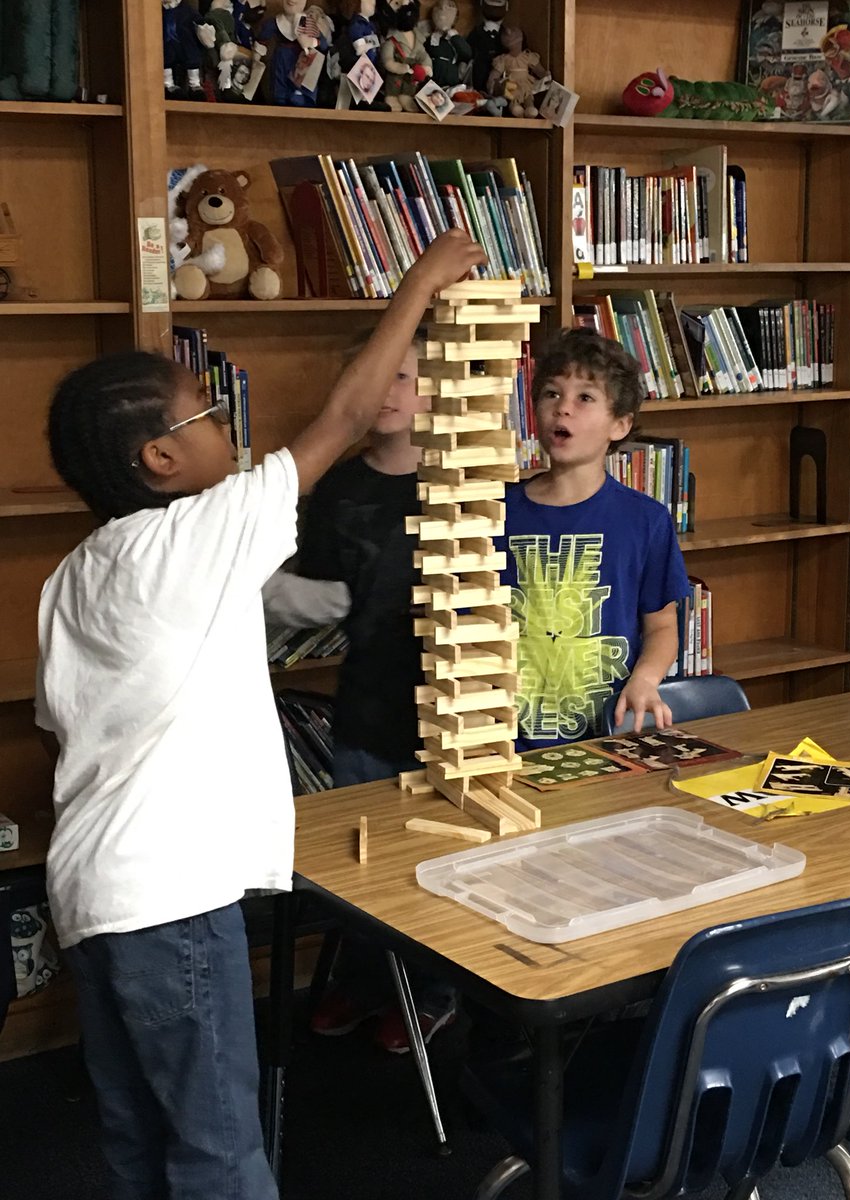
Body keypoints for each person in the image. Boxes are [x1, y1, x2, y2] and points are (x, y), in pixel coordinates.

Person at [33, 228, 484, 1200]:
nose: (227, 423)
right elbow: (350, 413)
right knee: (220, 1147)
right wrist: (422, 279)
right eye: (208, 410)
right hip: (170, 893)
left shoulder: (76, 571)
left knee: (136, 1136)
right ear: (161, 456)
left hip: (90, 888)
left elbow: (65, 719)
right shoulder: (203, 530)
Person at [285, 331, 458, 1053]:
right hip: (367, 706)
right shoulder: (342, 488)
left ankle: (431, 990)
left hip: (448, 715)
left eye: (404, 376)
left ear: (433, 388)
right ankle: (364, 978)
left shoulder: (461, 482)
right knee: (363, 861)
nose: (388, 392)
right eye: (375, 377)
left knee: (437, 863)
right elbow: (316, 590)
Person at [496, 328, 690, 745]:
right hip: (503, 742)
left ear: (620, 424)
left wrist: (645, 680)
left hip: (605, 741)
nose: (562, 409)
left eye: (584, 398)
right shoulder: (493, 512)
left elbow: (661, 627)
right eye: (551, 394)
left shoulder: (646, 520)